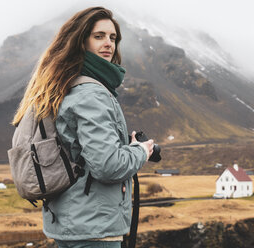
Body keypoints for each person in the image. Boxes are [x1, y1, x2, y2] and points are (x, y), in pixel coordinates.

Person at [12, 6, 154, 248]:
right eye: (98, 36)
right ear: (81, 41)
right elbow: (108, 166)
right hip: (94, 230)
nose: (108, 43)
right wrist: (141, 151)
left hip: (69, 224)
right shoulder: (92, 94)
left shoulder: (63, 87)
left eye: (112, 38)